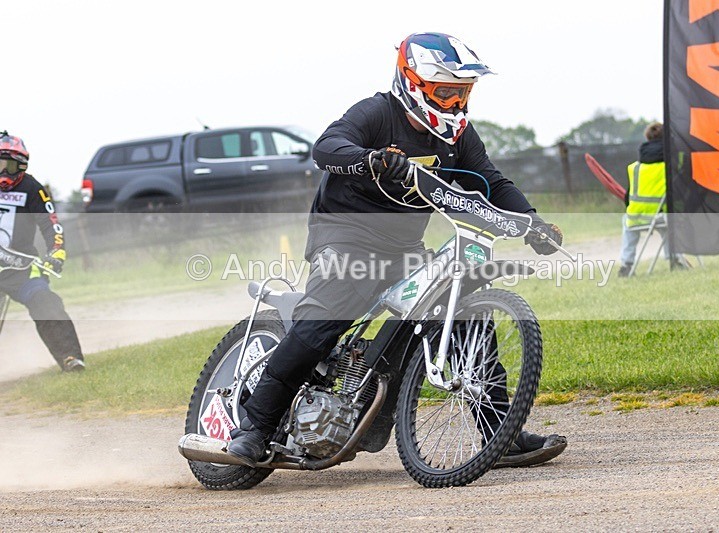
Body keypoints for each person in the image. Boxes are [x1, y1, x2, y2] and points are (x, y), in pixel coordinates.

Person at [227, 32, 566, 469]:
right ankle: (254, 427)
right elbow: (326, 148)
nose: (456, 103)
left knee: (463, 313)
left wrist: (532, 222)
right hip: (343, 235)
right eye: (446, 91)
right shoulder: (377, 112)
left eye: (463, 92)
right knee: (322, 322)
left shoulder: (458, 136)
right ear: (413, 81)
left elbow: (491, 182)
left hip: (403, 246)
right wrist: (370, 159)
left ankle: (499, 433)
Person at [0, 131, 85, 372]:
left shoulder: (32, 188)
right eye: (0, 165)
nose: (5, 173)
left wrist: (56, 251)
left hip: (22, 268)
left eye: (12, 166)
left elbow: (51, 224)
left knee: (46, 302)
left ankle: (70, 358)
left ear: (23, 166)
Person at [618, 121, 688, 277]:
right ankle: (674, 259)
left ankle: (626, 265)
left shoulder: (635, 167)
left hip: (638, 217)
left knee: (627, 222)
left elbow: (628, 198)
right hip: (664, 215)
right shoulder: (674, 163)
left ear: (647, 138)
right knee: (668, 221)